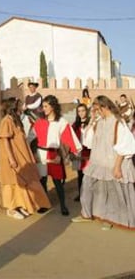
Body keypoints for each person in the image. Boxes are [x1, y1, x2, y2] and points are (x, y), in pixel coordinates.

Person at [72, 95, 135, 230]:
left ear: (104, 106)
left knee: (113, 193)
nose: (95, 112)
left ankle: (111, 218)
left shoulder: (119, 122)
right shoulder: (99, 122)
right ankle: (87, 214)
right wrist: (92, 121)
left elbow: (125, 146)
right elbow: (88, 142)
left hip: (113, 164)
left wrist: (117, 167)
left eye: (97, 109)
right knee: (88, 185)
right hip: (98, 162)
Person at [0, 97, 51, 219]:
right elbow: (5, 140)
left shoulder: (16, 120)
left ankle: (20, 204)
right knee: (12, 182)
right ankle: (11, 209)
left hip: (21, 156)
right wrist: (11, 159)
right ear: (13, 107)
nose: (23, 108)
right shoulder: (6, 121)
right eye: (20, 105)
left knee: (23, 181)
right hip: (13, 157)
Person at [31, 95, 82, 216]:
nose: (43, 109)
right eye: (43, 106)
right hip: (40, 153)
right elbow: (31, 138)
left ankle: (63, 205)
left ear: (53, 106)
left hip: (54, 154)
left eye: (45, 106)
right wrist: (34, 153)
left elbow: (69, 139)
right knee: (42, 181)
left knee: (57, 182)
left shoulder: (61, 122)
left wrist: (62, 156)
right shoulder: (39, 122)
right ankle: (44, 204)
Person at [71, 103, 91, 202]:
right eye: (79, 111)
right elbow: (71, 139)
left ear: (86, 111)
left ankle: (90, 195)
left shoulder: (91, 123)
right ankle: (81, 194)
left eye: (83, 110)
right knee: (80, 175)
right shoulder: (75, 125)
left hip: (89, 152)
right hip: (79, 153)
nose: (81, 113)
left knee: (89, 175)